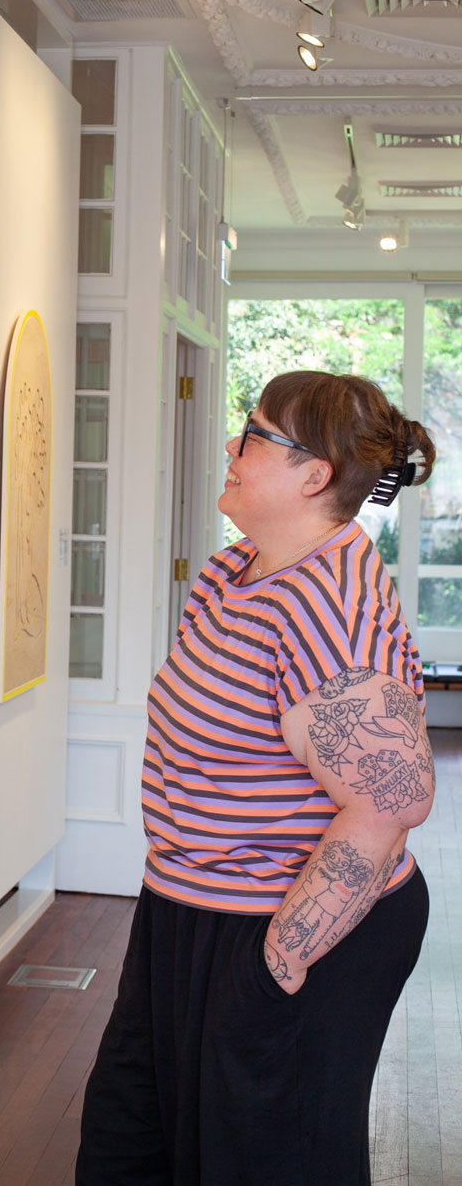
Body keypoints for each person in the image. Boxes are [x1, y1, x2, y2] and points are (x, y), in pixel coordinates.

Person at [76, 371, 437, 1185]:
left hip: (290, 923)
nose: (233, 447)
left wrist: (278, 960)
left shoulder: (327, 604)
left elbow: (391, 800)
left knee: (265, 1158)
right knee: (131, 1140)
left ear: (315, 474)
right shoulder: (235, 570)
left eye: (255, 433)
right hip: (188, 907)